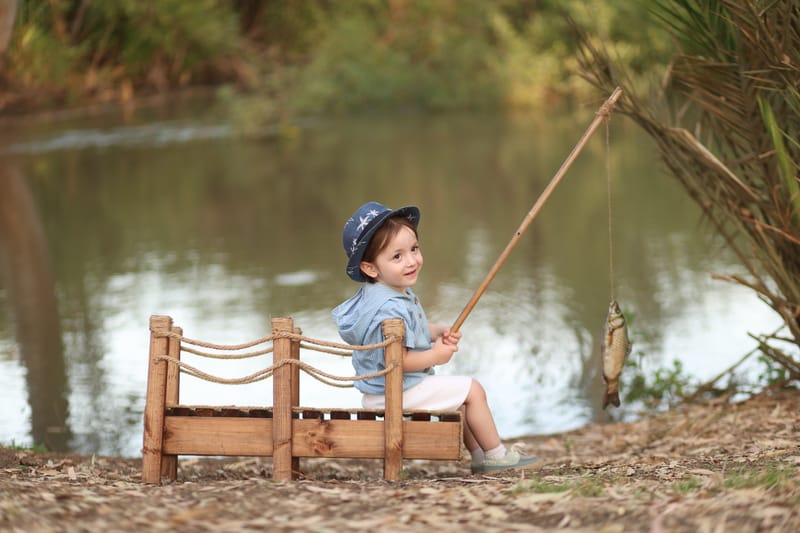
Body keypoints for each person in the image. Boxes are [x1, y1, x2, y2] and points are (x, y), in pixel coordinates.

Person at [332, 201, 539, 473]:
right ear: (370, 268)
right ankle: (496, 454)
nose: (411, 261)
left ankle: (479, 457)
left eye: (414, 249)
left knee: (460, 397)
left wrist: (436, 331)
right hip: (392, 392)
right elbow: (398, 360)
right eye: (397, 257)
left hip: (384, 389)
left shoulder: (385, 293)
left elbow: (406, 331)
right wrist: (436, 356)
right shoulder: (389, 308)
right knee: (472, 389)